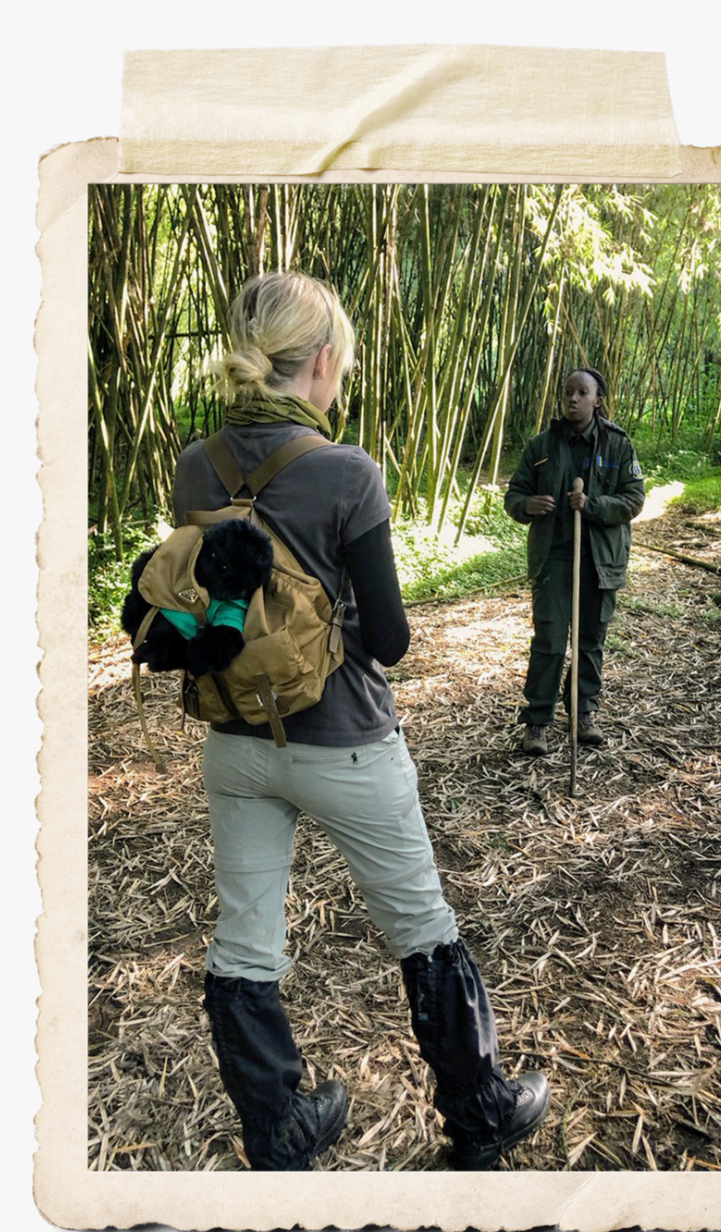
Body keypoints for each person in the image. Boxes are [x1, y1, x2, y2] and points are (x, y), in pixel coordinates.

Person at [172, 271, 550, 1172]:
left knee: (245, 939)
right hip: (344, 742)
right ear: (321, 359)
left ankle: (280, 1127)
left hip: (236, 740)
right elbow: (390, 638)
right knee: (421, 923)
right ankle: (480, 1112)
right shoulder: (347, 471)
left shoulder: (195, 464)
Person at [504, 367, 646, 755]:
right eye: (568, 392)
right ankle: (537, 721)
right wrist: (527, 505)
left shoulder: (618, 445)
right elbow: (514, 495)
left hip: (600, 560)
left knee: (589, 641)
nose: (573, 398)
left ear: (598, 400)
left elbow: (634, 499)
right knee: (549, 641)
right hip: (554, 557)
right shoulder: (541, 446)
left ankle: (583, 714)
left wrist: (593, 505)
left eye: (582, 392)